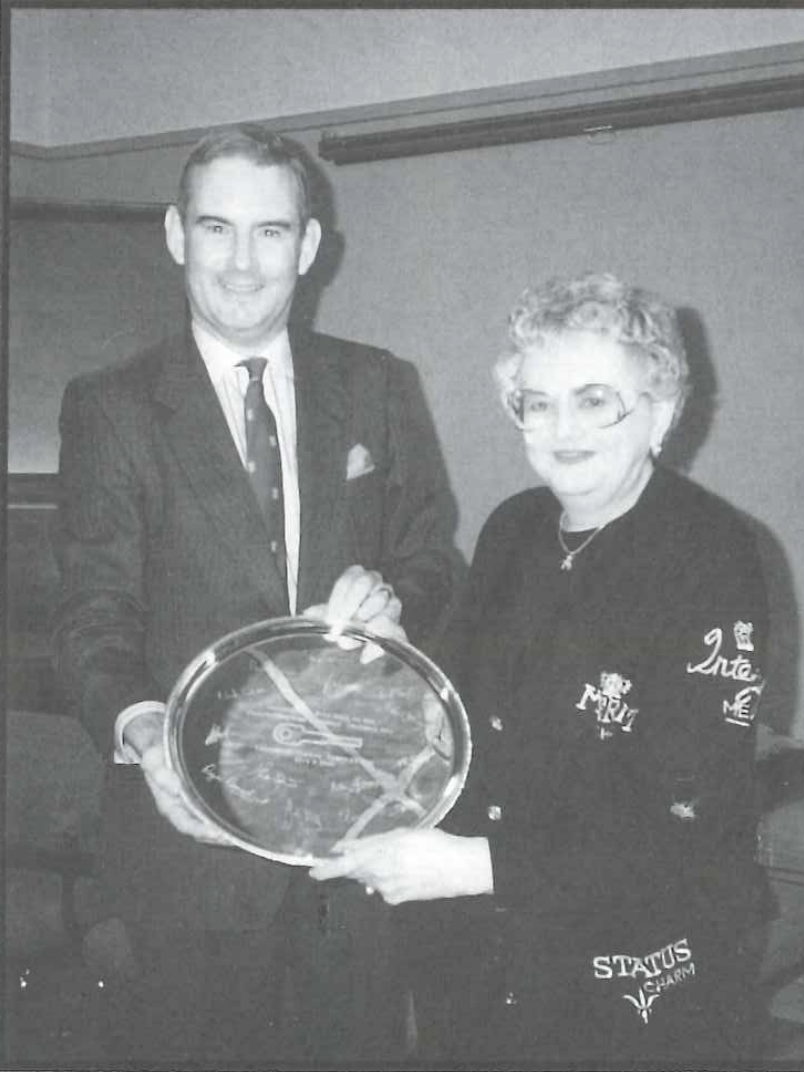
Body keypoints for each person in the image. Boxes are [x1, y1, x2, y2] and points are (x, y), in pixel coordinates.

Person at [51, 123, 456, 1065]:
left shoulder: (378, 385)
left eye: (270, 232)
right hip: (188, 852)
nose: (242, 263)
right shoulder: (110, 407)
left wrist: (396, 600)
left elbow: (434, 560)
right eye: (216, 228)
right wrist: (147, 733)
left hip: (357, 837)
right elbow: (92, 614)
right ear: (175, 235)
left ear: (308, 247)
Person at [311, 272, 773, 1066]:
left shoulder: (712, 555)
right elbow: (456, 709)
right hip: (484, 961)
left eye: (595, 401)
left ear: (661, 411)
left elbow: (687, 818)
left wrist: (472, 867)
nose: (563, 428)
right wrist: (389, 642)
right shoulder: (516, 526)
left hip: (630, 972)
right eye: (538, 402)